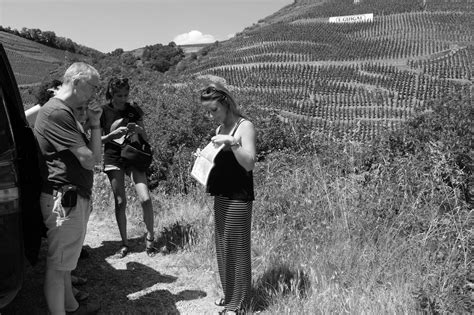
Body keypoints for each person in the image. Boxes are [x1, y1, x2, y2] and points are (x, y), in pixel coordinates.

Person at [34, 62, 102, 315]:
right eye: (93, 87)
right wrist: (95, 128)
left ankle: (71, 306)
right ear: (76, 83)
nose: (95, 93)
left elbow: (91, 160)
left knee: (65, 263)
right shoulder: (58, 113)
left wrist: (94, 122)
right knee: (57, 265)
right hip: (64, 197)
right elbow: (90, 159)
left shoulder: (65, 111)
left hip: (69, 195)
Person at [199, 83, 256, 315]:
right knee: (223, 247)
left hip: (238, 196)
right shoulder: (220, 128)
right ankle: (230, 296)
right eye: (207, 111)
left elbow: (249, 162)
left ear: (225, 103)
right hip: (221, 193)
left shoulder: (245, 126)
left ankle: (240, 304)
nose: (210, 115)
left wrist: (232, 144)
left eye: (213, 110)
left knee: (238, 248)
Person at [100, 77, 157, 258]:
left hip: (133, 155)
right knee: (120, 201)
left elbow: (146, 138)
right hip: (113, 157)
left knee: (145, 198)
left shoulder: (133, 110)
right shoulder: (102, 112)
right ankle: (124, 243)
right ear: (111, 93)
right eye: (118, 95)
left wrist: (140, 131)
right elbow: (95, 140)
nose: (122, 99)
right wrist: (111, 136)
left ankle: (150, 238)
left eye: (125, 95)